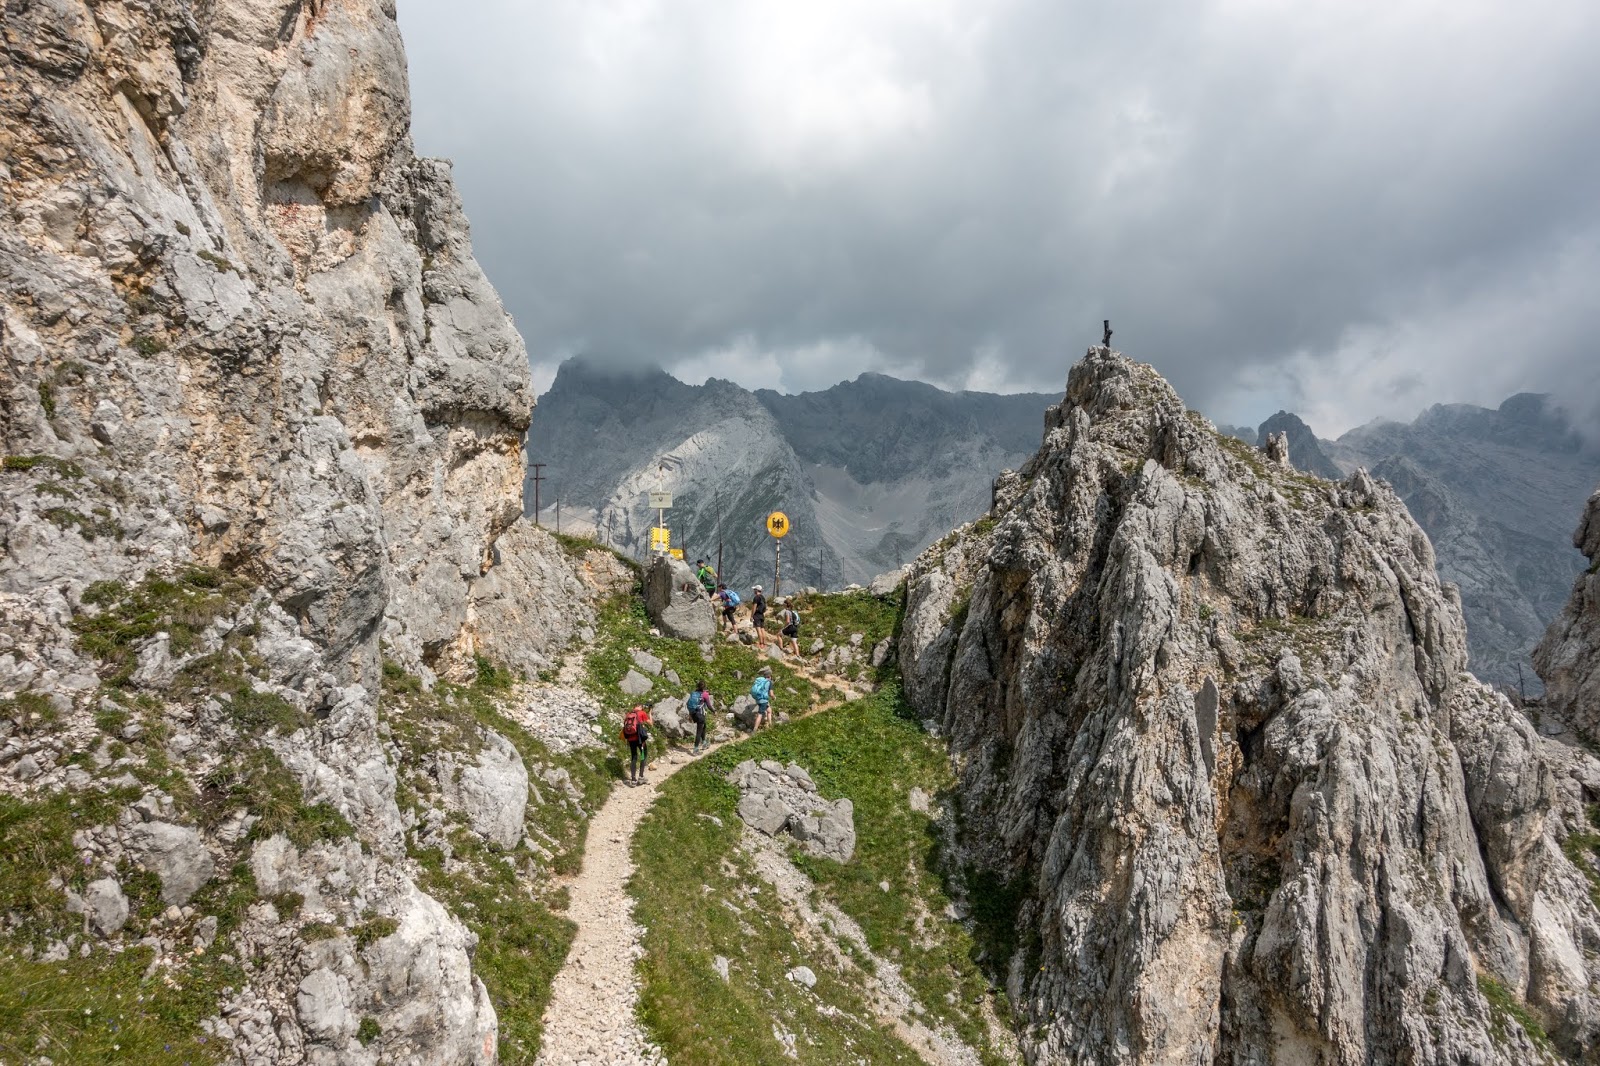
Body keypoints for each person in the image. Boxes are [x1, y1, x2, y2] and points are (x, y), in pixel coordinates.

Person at [621, 703, 652, 785]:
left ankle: (633, 779)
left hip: (631, 740)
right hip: (640, 741)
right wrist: (650, 713)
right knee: (643, 755)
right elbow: (651, 723)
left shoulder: (629, 714)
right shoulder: (642, 713)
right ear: (641, 707)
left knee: (634, 757)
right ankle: (641, 777)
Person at [686, 680, 714, 754]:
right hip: (700, 715)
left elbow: (688, 704)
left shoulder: (693, 693)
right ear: (704, 687)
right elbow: (709, 705)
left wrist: (690, 715)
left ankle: (704, 743)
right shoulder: (705, 694)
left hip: (694, 714)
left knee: (704, 726)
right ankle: (695, 749)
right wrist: (714, 711)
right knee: (699, 732)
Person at [750, 666, 773, 731]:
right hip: (763, 700)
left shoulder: (760, 680)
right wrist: (774, 697)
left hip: (758, 699)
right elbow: (771, 694)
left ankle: (770, 725)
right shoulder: (769, 682)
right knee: (760, 715)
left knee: (769, 711)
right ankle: (754, 730)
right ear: (770, 676)